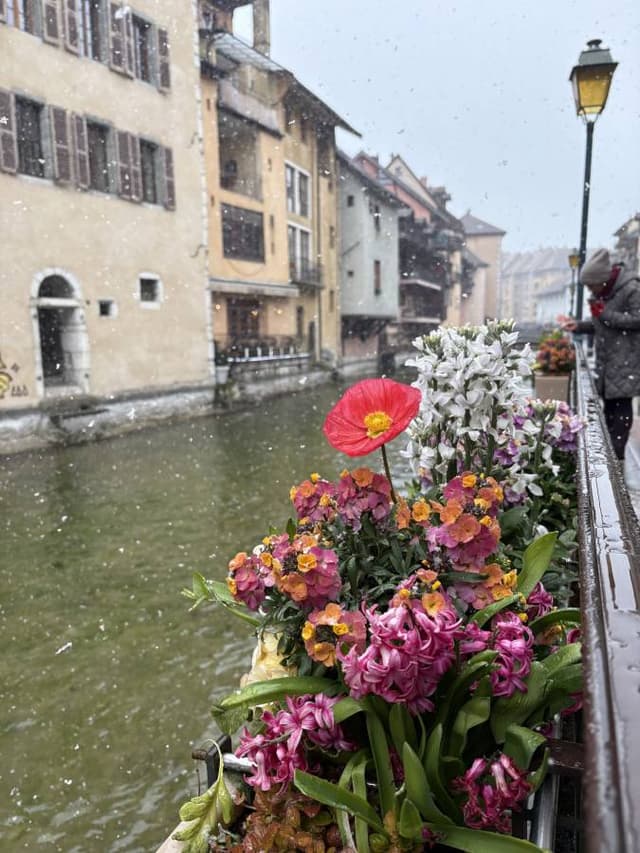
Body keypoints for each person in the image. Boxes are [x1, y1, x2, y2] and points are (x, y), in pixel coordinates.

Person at [559, 248, 640, 478]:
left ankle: (616, 468)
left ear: (602, 280)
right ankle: (611, 464)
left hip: (626, 361)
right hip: (609, 361)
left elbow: (636, 319)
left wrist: (604, 313)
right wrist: (579, 325)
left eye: (591, 285)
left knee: (620, 413)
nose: (589, 290)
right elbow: (603, 325)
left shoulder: (631, 288)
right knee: (609, 413)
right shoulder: (606, 293)